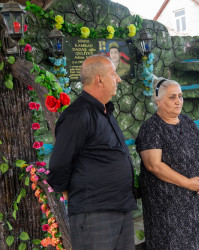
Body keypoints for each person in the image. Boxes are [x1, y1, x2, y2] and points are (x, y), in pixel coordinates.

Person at [48, 54, 137, 250]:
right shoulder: (78, 115)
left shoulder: (105, 112)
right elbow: (58, 165)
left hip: (120, 208)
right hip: (94, 213)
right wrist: (73, 195)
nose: (119, 79)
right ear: (100, 79)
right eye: (114, 73)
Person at [135, 78, 199, 249]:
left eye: (180, 96)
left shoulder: (188, 122)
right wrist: (187, 183)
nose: (178, 101)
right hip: (167, 209)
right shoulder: (151, 128)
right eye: (172, 97)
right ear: (158, 101)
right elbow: (154, 165)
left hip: (195, 203)